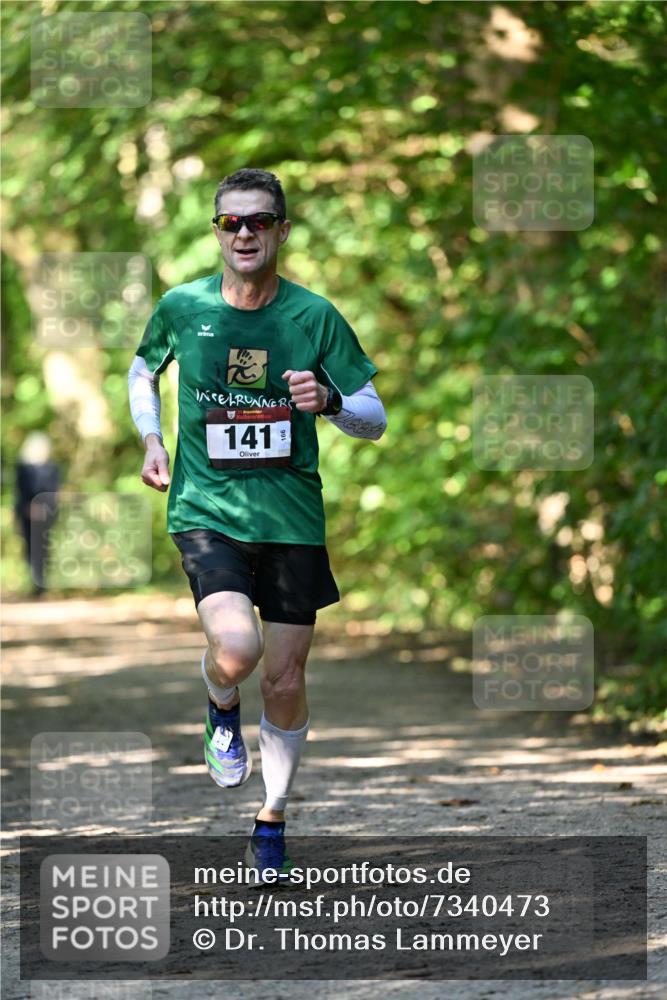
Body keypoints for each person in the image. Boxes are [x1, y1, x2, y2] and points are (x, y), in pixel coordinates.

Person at [128, 167, 386, 878]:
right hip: (207, 511)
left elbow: (374, 420)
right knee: (237, 652)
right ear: (218, 231)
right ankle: (218, 700)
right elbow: (142, 370)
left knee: (284, 677)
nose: (243, 232)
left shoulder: (314, 317)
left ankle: (270, 818)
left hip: (292, 519)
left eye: (258, 221)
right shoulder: (183, 305)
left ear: (280, 230)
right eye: (230, 222)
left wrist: (330, 401)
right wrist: (151, 437)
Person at [14, 431, 60, 597]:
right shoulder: (22, 467)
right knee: (29, 547)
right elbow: (20, 489)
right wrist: (28, 507)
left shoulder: (52, 467)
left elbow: (54, 491)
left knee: (43, 546)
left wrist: (45, 508)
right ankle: (36, 582)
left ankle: (41, 584)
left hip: (46, 513)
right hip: (26, 513)